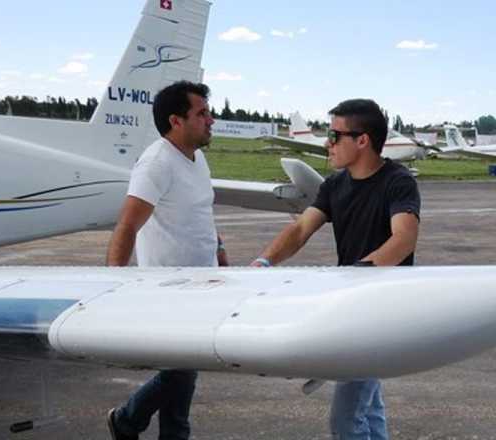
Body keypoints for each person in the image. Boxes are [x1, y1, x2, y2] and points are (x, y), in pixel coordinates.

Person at [251, 98, 421, 440]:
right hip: (352, 307)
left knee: (345, 421)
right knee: (368, 409)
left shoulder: (398, 182)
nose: (328, 143)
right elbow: (300, 229)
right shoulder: (334, 185)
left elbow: (403, 239)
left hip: (381, 310)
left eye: (334, 135)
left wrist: (358, 275)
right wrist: (264, 261)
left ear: (362, 140)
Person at [105, 80, 227, 440]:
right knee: (183, 370)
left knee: (183, 369)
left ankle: (128, 421)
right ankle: (139, 423)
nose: (211, 120)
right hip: (168, 286)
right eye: (202, 113)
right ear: (176, 121)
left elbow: (201, 211)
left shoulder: (196, 157)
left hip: (202, 281)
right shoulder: (156, 163)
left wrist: (219, 251)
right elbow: (128, 224)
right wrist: (114, 281)